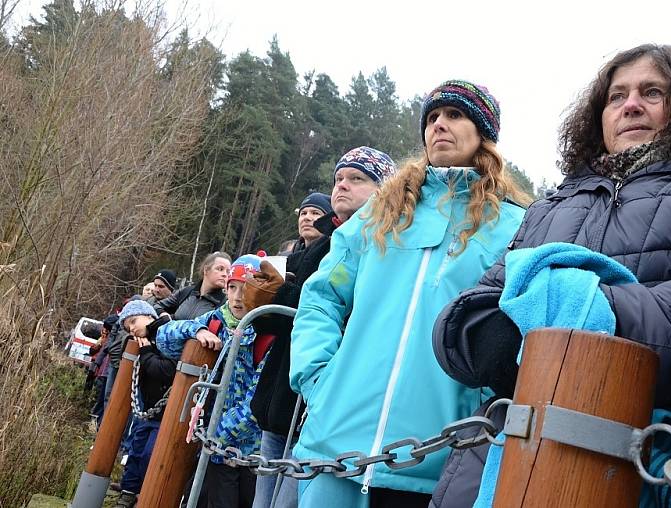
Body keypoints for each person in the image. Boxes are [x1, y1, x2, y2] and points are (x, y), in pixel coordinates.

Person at [429, 45, 671, 507]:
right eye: (616, 96)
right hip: (506, 451)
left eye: (652, 92)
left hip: (642, 455)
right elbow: (472, 307)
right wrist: (489, 339)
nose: (631, 105)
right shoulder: (550, 206)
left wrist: (578, 307)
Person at [289, 80, 530, 507]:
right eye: (433, 117)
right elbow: (323, 296)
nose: (439, 125)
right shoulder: (381, 212)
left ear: (483, 133)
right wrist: (316, 377)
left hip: (440, 458)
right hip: (337, 442)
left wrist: (484, 405)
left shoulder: (514, 226)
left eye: (455, 115)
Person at [249, 156, 394, 507]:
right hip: (280, 397)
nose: (341, 185)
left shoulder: (382, 243)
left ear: (384, 189)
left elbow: (327, 309)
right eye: (338, 177)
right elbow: (276, 319)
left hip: (320, 409)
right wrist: (258, 302)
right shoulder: (317, 243)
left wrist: (280, 297)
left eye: (356, 178)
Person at [157, 253, 271, 508]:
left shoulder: (268, 334)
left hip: (247, 454)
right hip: (212, 450)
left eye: (247, 288)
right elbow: (164, 338)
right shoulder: (217, 319)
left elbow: (257, 402)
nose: (238, 297)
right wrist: (195, 330)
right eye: (232, 287)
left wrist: (215, 435)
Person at [113, 299, 173, 508]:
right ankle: (128, 492)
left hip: (164, 412)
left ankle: (146, 494)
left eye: (134, 321)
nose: (132, 328)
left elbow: (166, 371)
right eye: (127, 326)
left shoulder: (166, 337)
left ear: (149, 316)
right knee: (135, 451)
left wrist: (147, 353)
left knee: (150, 453)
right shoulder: (138, 342)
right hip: (146, 409)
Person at [154, 253, 230, 320]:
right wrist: (163, 314)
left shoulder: (225, 306)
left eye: (228, 271)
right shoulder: (187, 292)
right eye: (220, 269)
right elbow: (157, 306)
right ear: (206, 270)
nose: (225, 274)